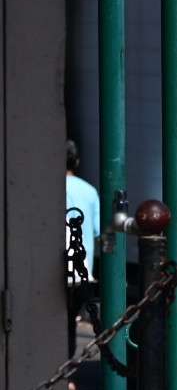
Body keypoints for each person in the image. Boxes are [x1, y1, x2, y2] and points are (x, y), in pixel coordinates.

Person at [65, 140, 101, 365]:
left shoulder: (49, 187)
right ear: (77, 162)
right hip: (82, 269)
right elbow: (97, 230)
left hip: (58, 266)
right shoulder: (89, 191)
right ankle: (66, 370)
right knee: (69, 320)